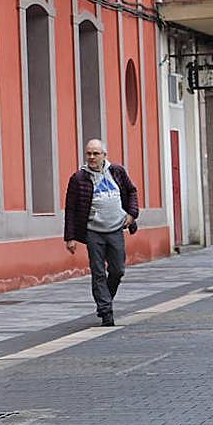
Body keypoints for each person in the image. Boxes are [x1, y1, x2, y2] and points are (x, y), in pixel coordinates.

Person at [63, 139, 139, 326]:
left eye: (96, 153)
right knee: (98, 272)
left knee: (118, 270)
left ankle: (106, 299)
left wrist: (132, 214)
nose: (92, 157)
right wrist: (70, 237)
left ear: (104, 155)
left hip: (115, 229)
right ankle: (106, 312)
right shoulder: (79, 178)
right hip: (93, 231)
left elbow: (131, 191)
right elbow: (70, 209)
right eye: (89, 153)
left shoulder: (117, 172)